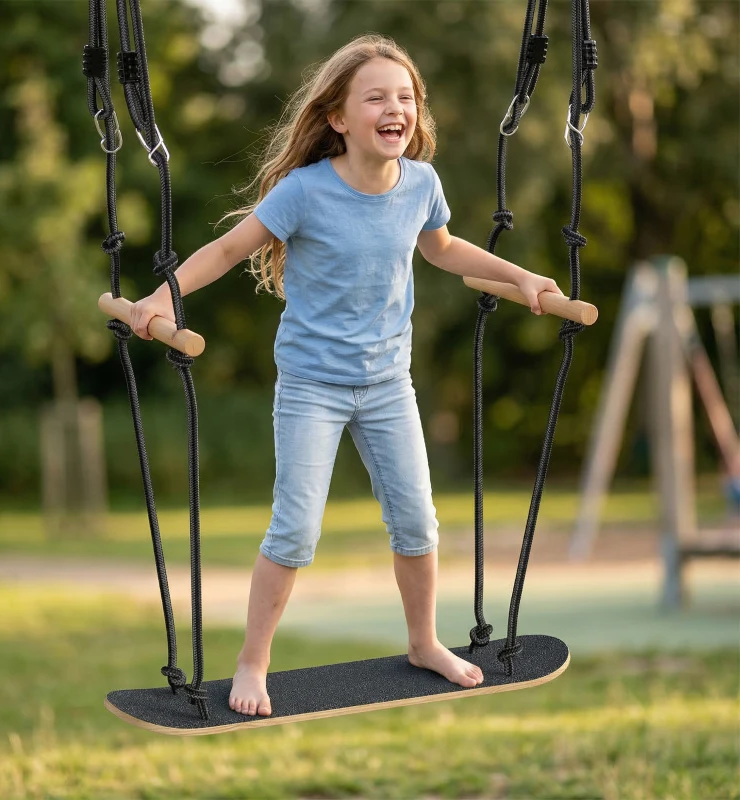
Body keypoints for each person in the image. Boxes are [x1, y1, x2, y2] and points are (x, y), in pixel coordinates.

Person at [130, 33, 564, 718]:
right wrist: (164, 297)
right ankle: (253, 659)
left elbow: (446, 250)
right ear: (337, 117)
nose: (398, 109)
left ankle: (423, 642)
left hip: (390, 384)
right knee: (295, 531)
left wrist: (524, 277)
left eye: (407, 98)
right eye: (378, 98)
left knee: (419, 523)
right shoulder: (305, 192)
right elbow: (227, 248)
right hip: (312, 387)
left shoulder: (422, 182)